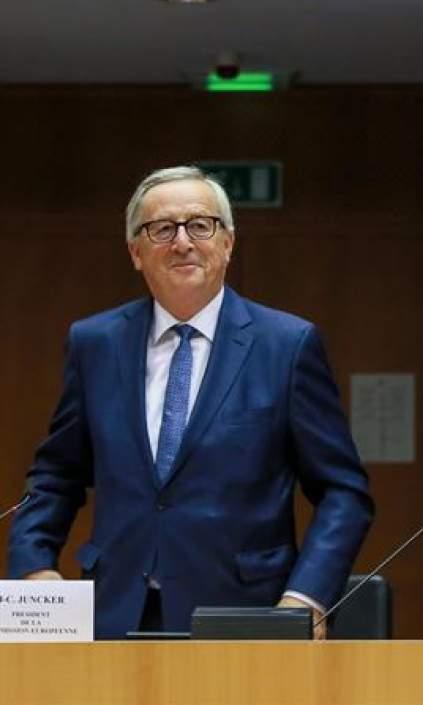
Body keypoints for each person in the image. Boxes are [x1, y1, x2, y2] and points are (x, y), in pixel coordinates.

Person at [5, 166, 374, 639]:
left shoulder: (286, 345)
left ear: (228, 243)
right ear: (136, 252)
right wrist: (34, 565)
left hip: (244, 615)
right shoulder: (95, 343)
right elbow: (56, 476)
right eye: (162, 229)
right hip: (116, 612)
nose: (182, 242)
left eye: (200, 225)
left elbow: (344, 492)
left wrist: (306, 597)